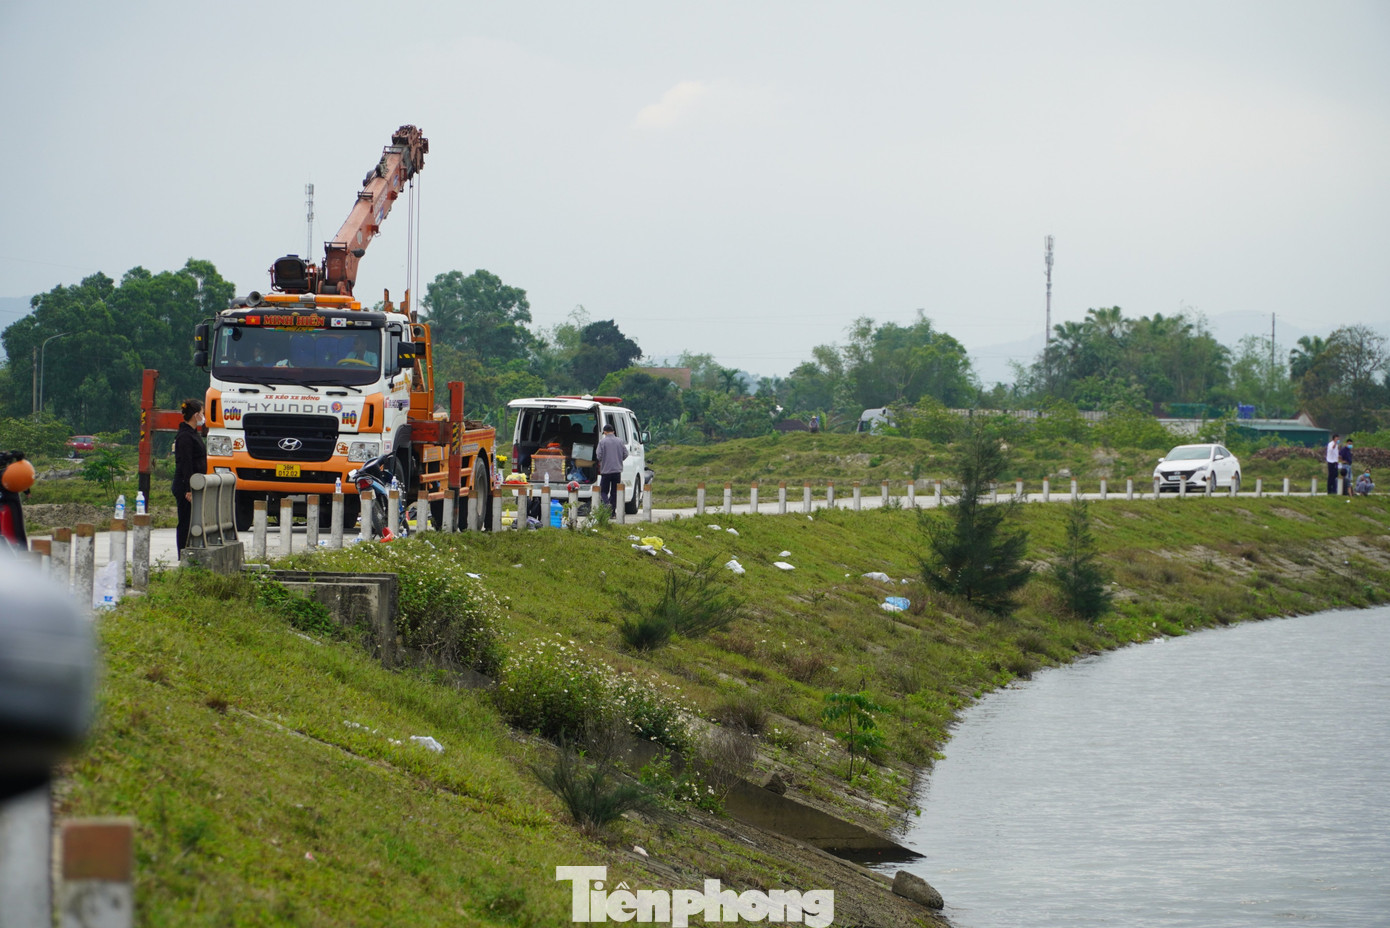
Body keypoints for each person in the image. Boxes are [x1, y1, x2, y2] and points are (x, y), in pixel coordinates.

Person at [172, 399, 208, 558]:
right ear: (195, 415)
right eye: (202, 413)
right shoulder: (185, 436)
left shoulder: (193, 433)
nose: (203, 416)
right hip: (185, 486)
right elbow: (186, 464)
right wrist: (189, 488)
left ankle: (191, 551)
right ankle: (182, 553)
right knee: (185, 522)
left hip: (194, 484)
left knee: (193, 521)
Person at [595, 422, 628, 515]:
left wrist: (603, 461)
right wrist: (618, 459)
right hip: (617, 471)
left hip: (606, 471)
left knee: (603, 491)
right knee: (614, 492)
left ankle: (607, 504)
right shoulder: (620, 441)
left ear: (605, 432)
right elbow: (626, 454)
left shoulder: (602, 442)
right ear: (613, 431)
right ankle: (612, 512)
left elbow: (599, 455)